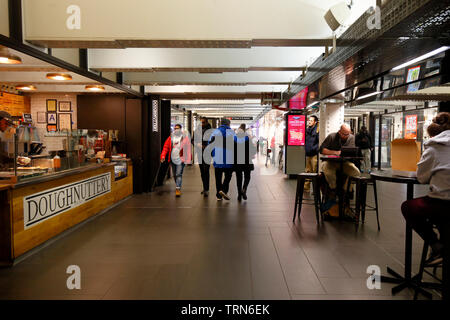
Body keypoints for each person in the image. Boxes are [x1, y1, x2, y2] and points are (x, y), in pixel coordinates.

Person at [401, 112, 450, 266]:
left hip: (442, 202)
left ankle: (436, 245)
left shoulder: (435, 148)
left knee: (409, 207)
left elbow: (421, 177)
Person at [319, 124, 360, 196]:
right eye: (344, 134)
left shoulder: (351, 138)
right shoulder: (332, 136)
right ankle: (333, 189)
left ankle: (346, 190)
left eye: (348, 134)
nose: (346, 136)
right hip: (330, 162)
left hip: (344, 163)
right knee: (328, 172)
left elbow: (351, 151)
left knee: (356, 172)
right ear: (339, 132)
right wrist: (335, 152)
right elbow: (322, 150)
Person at [160, 124, 191, 197]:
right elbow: (166, 147)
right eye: (175, 128)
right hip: (172, 159)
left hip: (181, 159)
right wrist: (163, 156)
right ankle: (178, 185)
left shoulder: (184, 138)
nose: (176, 130)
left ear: (180, 129)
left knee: (178, 174)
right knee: (175, 175)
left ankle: (178, 188)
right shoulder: (170, 138)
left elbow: (188, 148)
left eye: (177, 128)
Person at [209, 118, 235, 201]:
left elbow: (210, 144)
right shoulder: (231, 133)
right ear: (228, 124)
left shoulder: (215, 132)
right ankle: (224, 190)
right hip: (229, 158)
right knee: (228, 176)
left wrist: (213, 154)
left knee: (218, 177)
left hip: (218, 158)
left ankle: (219, 195)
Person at [234, 124, 256, 201]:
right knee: (247, 176)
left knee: (239, 178)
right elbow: (253, 149)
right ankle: (244, 189)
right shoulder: (247, 139)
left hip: (237, 161)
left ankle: (239, 194)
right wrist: (252, 154)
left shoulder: (234, 138)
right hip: (246, 160)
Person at [192, 117, 212, 197]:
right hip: (199, 152)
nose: (202, 124)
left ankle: (207, 189)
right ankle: (204, 188)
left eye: (203, 122)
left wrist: (207, 146)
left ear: (207, 122)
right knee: (202, 172)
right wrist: (197, 144)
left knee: (206, 170)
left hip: (207, 153)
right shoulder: (197, 130)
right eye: (201, 122)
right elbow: (192, 140)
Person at [304, 115, 319, 193]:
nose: (309, 122)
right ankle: (306, 188)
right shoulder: (307, 130)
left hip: (314, 155)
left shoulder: (317, 130)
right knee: (307, 171)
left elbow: (319, 142)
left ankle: (315, 189)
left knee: (314, 171)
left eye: (311, 120)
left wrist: (314, 148)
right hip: (308, 153)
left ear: (315, 122)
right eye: (309, 120)